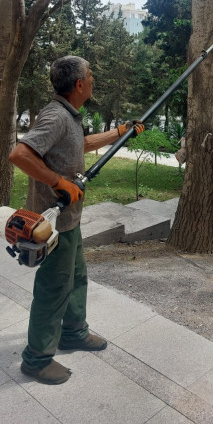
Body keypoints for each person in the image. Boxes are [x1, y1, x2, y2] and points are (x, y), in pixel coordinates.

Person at [9, 55, 144, 385]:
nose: (94, 80)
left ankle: (73, 332)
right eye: (91, 76)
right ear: (79, 84)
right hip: (52, 224)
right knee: (54, 287)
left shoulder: (69, 116)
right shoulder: (56, 116)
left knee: (77, 277)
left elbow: (77, 147)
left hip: (70, 220)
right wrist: (59, 182)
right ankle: (37, 359)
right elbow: (19, 154)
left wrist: (118, 133)